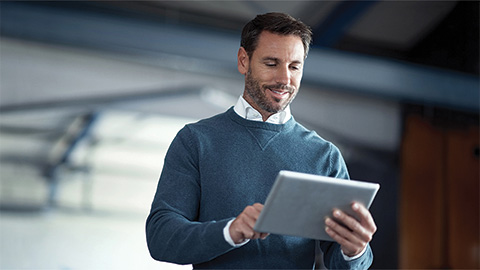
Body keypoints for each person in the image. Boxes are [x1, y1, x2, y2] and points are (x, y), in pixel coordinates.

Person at [146, 12, 376, 269]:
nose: (284, 79)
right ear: (244, 61)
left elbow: (341, 260)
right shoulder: (195, 141)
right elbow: (161, 238)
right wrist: (230, 231)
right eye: (271, 63)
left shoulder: (324, 156)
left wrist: (355, 251)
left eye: (294, 66)